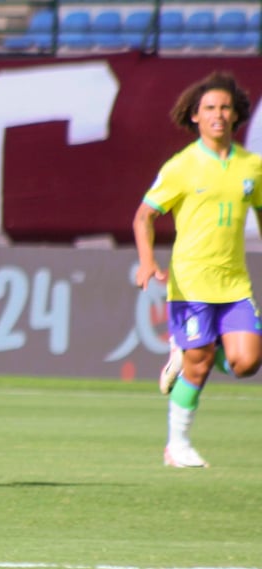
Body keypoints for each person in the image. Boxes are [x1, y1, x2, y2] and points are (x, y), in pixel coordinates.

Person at [133, 70, 262, 468]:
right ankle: (177, 446)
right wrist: (147, 261)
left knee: (248, 363)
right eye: (209, 108)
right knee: (199, 364)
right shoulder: (182, 166)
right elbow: (144, 216)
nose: (217, 115)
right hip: (190, 283)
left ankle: (198, 349)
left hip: (234, 283)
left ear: (236, 114)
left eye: (224, 107)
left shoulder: (252, 166)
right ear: (195, 115)